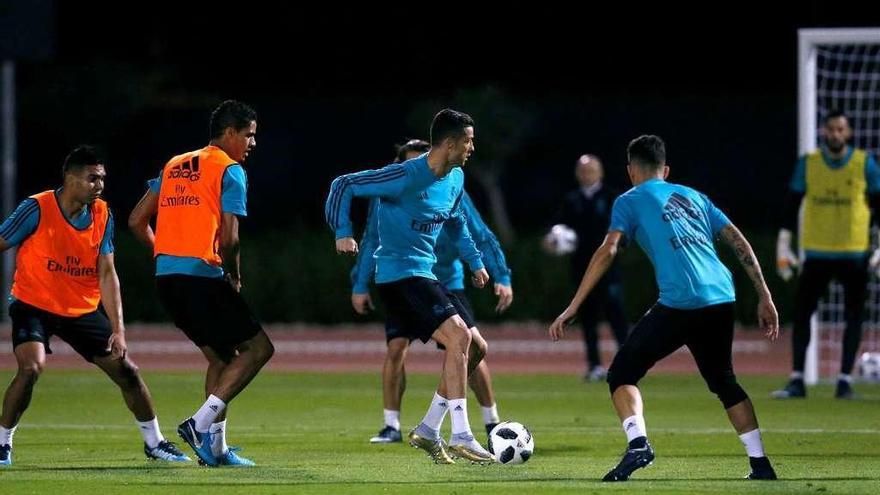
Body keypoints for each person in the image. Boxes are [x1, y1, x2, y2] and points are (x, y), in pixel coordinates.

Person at [549, 135, 779, 482]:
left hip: (680, 302)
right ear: (666, 170)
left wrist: (573, 305)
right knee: (724, 381)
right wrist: (765, 295)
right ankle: (761, 464)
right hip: (721, 296)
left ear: (630, 171)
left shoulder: (629, 199)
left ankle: (638, 444)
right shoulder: (696, 197)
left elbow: (609, 250)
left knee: (622, 373)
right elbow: (738, 241)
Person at [0, 146, 190, 466]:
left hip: (80, 309)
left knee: (128, 371)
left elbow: (106, 272)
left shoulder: (102, 214)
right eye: (92, 178)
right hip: (34, 303)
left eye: (102, 178)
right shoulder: (37, 207)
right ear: (70, 178)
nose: (99, 185)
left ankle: (155, 443)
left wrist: (119, 330)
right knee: (31, 368)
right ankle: (3, 443)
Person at [326, 109, 494, 464]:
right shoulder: (404, 175)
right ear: (450, 143)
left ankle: (430, 428)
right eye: (469, 141)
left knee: (476, 348)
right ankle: (462, 434)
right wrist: (343, 231)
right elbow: (344, 184)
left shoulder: (456, 178)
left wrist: (475, 261)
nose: (472, 148)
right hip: (397, 274)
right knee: (460, 338)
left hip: (426, 274)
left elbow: (456, 221)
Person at [128, 100, 274, 467]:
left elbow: (136, 220)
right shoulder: (230, 169)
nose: (252, 143)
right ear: (229, 133)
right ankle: (199, 423)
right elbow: (230, 236)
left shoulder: (175, 163)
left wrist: (165, 254)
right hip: (202, 277)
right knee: (258, 350)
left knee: (222, 358)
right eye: (249, 135)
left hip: (168, 280)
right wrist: (233, 273)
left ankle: (217, 450)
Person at [352, 139, 513, 444]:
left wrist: (499, 273)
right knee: (397, 347)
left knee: (474, 347)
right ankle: (393, 425)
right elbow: (371, 238)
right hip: (404, 281)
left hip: (447, 283)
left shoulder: (450, 184)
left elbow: (476, 230)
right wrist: (360, 283)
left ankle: (490, 422)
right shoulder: (391, 189)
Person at [773, 110, 880, 399]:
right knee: (802, 313)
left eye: (840, 129)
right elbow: (791, 205)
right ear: (824, 132)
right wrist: (784, 244)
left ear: (848, 133)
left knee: (854, 316)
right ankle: (797, 379)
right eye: (831, 129)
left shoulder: (864, 164)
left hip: (854, 253)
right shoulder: (809, 164)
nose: (835, 134)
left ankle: (844, 380)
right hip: (816, 254)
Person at [544, 154, 629, 381]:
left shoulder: (613, 198)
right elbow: (555, 229)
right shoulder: (571, 200)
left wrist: (621, 244)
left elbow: (625, 231)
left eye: (590, 171)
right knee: (588, 319)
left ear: (600, 173)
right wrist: (551, 241)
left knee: (616, 317)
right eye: (582, 171)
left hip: (608, 270)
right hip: (581, 270)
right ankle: (594, 366)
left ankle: (629, 363)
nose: (585, 175)